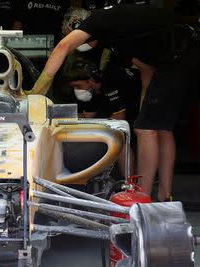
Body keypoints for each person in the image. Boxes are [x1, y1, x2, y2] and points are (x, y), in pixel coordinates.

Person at [27, 5, 197, 201]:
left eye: (71, 37)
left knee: (144, 129)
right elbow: (146, 71)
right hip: (181, 52)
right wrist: (148, 106)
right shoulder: (116, 37)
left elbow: (62, 47)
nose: (74, 45)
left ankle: (141, 200)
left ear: (78, 27)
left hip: (178, 54)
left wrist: (36, 92)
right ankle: (165, 195)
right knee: (162, 128)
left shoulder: (97, 22)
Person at [68, 59, 141, 177]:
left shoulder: (111, 81)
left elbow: (118, 119)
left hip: (143, 102)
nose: (76, 90)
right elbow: (86, 117)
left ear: (91, 80)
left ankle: (130, 184)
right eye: (74, 87)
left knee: (120, 140)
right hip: (129, 109)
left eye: (78, 86)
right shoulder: (92, 90)